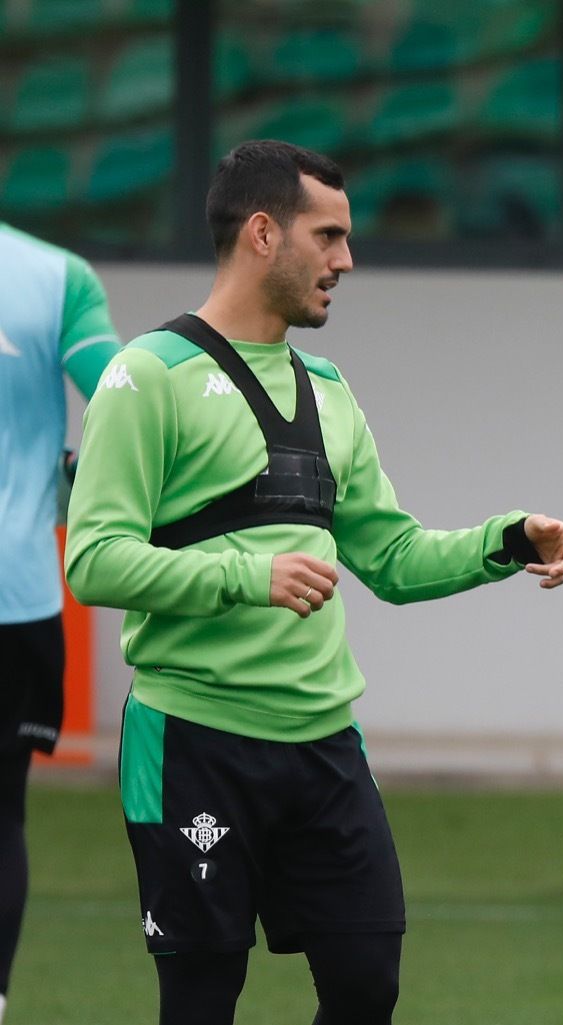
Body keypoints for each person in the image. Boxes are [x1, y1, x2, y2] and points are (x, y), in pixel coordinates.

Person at [65, 140, 563, 1025]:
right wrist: (249, 576)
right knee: (201, 1001)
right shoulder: (146, 377)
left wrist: (508, 539)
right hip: (194, 744)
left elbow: (391, 559)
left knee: (367, 989)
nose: (346, 260)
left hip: (324, 748)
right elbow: (93, 560)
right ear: (260, 233)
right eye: (327, 236)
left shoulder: (330, 389)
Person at [0, 222, 122, 1023]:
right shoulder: (55, 275)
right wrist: (76, 477)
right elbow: (127, 412)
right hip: (15, 598)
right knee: (0, 812)